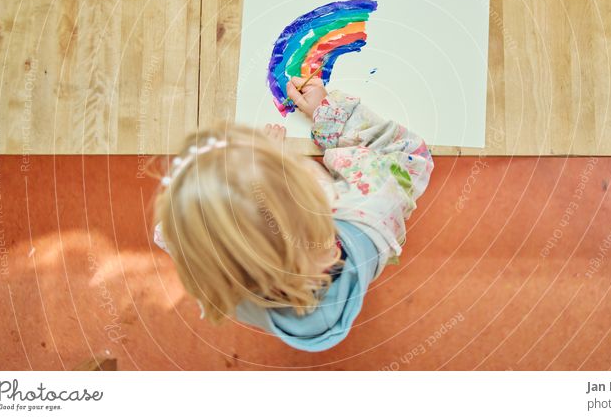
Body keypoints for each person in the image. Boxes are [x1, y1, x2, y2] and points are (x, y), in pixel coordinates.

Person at [153, 76, 434, 351]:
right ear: (316, 203)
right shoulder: (369, 213)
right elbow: (409, 154)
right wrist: (329, 114)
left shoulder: (216, 270)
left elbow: (183, 228)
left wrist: (225, 191)